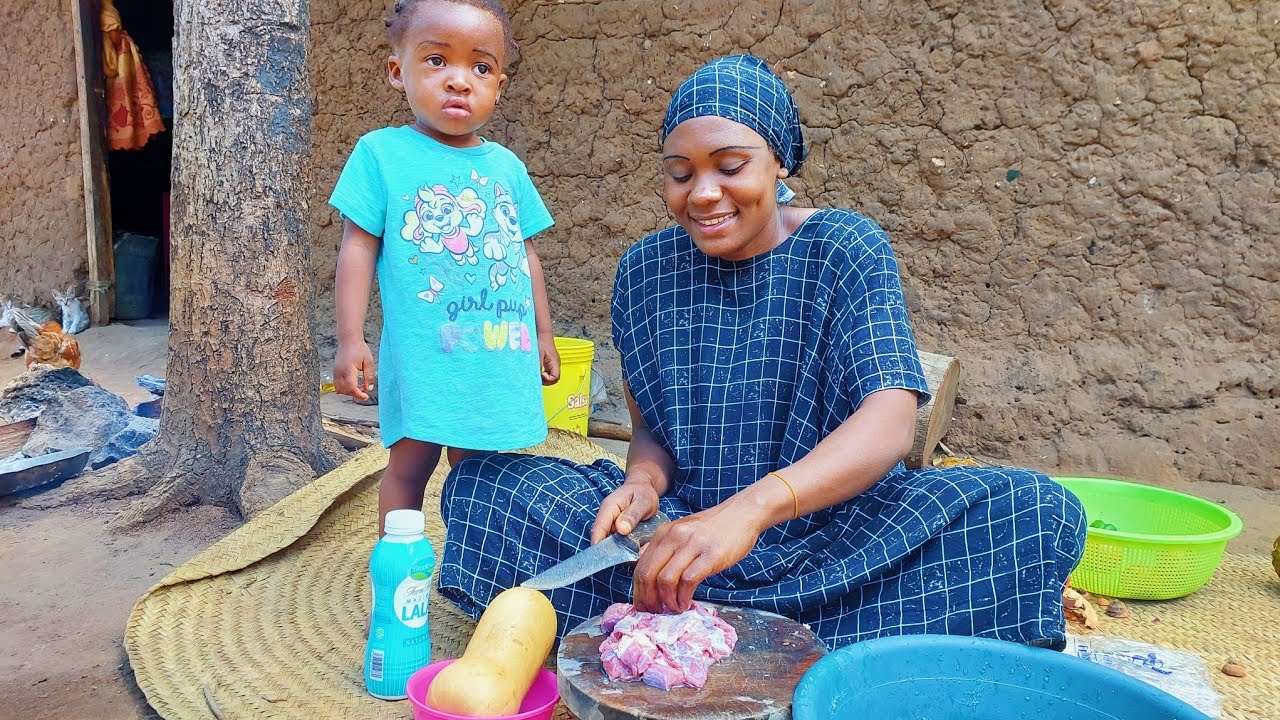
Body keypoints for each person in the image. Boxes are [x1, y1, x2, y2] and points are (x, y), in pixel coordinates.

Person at [438, 55, 1085, 651]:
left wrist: (749, 511)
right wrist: (641, 484)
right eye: (679, 173)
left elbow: (890, 422)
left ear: (780, 164)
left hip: (841, 542)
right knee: (485, 487)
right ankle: (780, 637)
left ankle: (678, 630)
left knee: (1034, 510)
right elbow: (653, 438)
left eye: (730, 166)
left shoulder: (844, 247)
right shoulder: (643, 272)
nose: (703, 194)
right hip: (681, 540)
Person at [329, 0, 560, 535]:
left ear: (498, 86)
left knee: (481, 472)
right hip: (425, 359)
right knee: (411, 465)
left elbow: (525, 255)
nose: (460, 81)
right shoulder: (381, 154)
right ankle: (398, 571)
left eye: (480, 68)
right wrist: (350, 339)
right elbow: (357, 249)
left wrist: (543, 333)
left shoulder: (506, 166)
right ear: (397, 71)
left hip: (495, 354)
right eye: (437, 61)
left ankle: (471, 566)